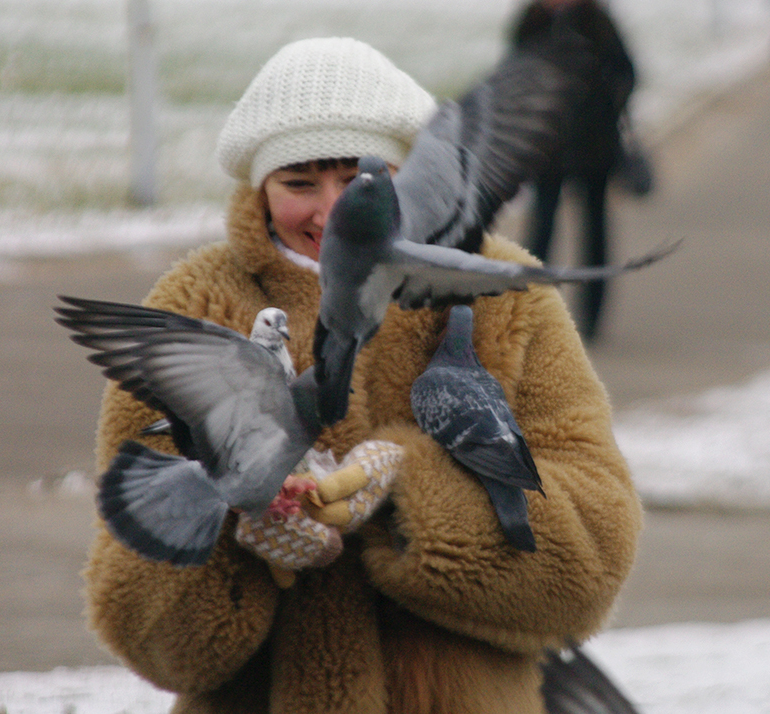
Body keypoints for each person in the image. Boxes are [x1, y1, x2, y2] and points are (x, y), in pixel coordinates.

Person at [84, 37, 641, 713]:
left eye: (356, 182)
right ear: (258, 186)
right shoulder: (195, 306)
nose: (330, 210)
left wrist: (409, 494)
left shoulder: (501, 298)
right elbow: (150, 634)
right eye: (298, 183)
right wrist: (242, 526)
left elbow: (592, 566)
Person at [511, 0, 643, 343]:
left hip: (593, 148)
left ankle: (593, 318)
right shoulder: (532, 22)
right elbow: (510, 77)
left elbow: (627, 74)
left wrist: (600, 108)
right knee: (540, 231)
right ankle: (533, 311)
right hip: (548, 148)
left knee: (594, 230)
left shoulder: (597, 22)